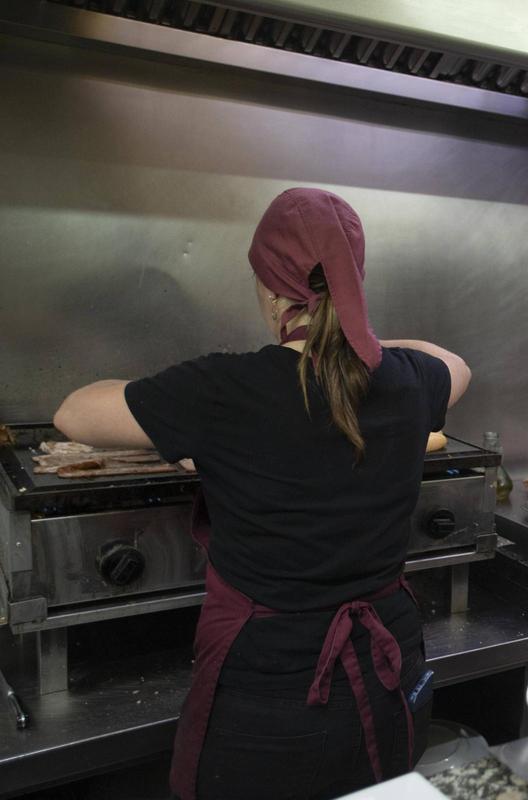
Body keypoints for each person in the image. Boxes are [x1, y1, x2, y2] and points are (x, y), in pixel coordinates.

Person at [54, 188, 471, 800]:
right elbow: (455, 363)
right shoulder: (408, 381)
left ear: (273, 291)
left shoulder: (223, 390)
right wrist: (357, 331)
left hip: (274, 690)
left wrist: (177, 406)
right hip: (390, 665)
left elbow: (72, 413)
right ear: (352, 281)